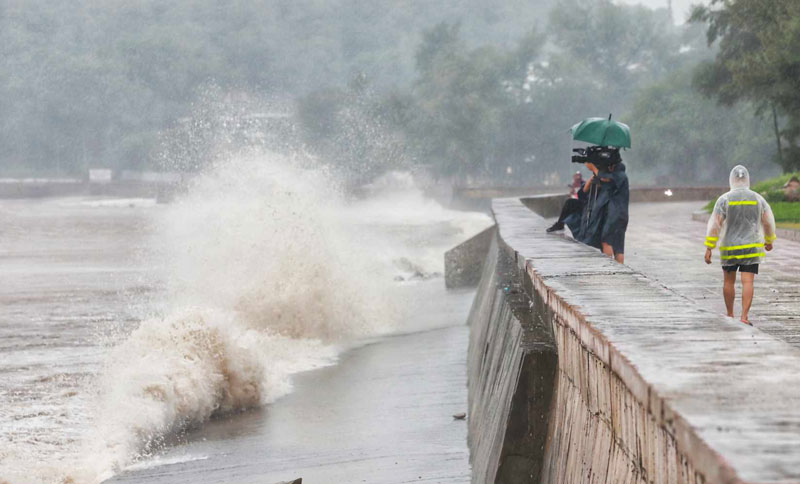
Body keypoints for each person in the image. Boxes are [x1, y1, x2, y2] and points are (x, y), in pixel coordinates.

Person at [704, 165, 776, 325]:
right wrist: (769, 240)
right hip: (751, 248)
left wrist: (709, 247)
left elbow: (715, 225)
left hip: (729, 248)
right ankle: (744, 317)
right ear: (747, 179)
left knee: (728, 282)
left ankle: (730, 314)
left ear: (732, 180)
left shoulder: (724, 199)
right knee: (748, 282)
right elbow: (768, 221)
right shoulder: (758, 198)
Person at [578, 156, 629, 263]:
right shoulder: (618, 177)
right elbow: (585, 191)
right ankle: (620, 271)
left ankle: (610, 268)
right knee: (618, 246)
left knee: (606, 241)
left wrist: (594, 168)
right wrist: (593, 176)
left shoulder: (619, 175)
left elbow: (604, 179)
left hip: (615, 214)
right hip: (621, 215)